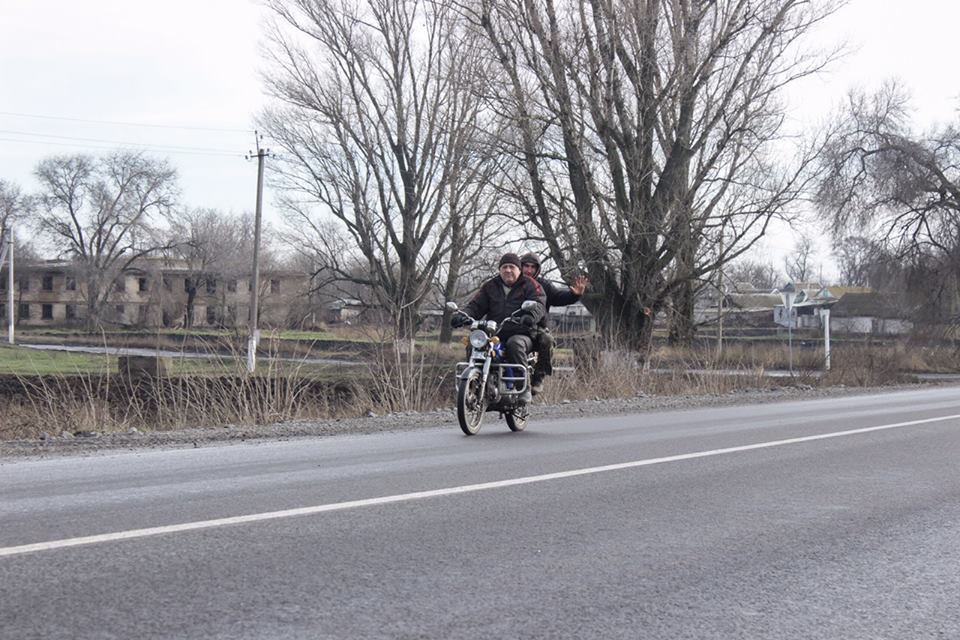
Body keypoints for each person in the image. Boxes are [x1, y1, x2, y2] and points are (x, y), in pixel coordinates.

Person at [452, 252, 546, 402]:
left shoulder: (530, 285)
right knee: (474, 343)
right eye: (504, 267)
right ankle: (476, 384)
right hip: (495, 333)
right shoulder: (490, 286)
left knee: (514, 344)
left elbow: (539, 303)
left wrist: (530, 317)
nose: (508, 270)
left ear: (518, 269)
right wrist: (462, 316)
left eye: (512, 267)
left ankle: (524, 388)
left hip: (522, 332)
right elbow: (475, 306)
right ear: (500, 270)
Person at [519, 252, 589, 394]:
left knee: (547, 340)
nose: (529, 270)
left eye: (533, 267)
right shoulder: (513, 282)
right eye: (526, 266)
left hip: (536, 327)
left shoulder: (544, 285)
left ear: (537, 269)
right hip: (512, 325)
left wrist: (574, 295)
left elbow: (559, 297)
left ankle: (538, 377)